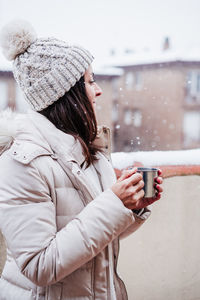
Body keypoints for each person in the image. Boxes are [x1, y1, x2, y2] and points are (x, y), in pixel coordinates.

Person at [0, 20, 163, 300]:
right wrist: (113, 203)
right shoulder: (22, 162)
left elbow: (94, 242)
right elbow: (39, 266)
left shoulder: (92, 153)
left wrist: (129, 208)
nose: (98, 90)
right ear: (64, 94)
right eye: (89, 82)